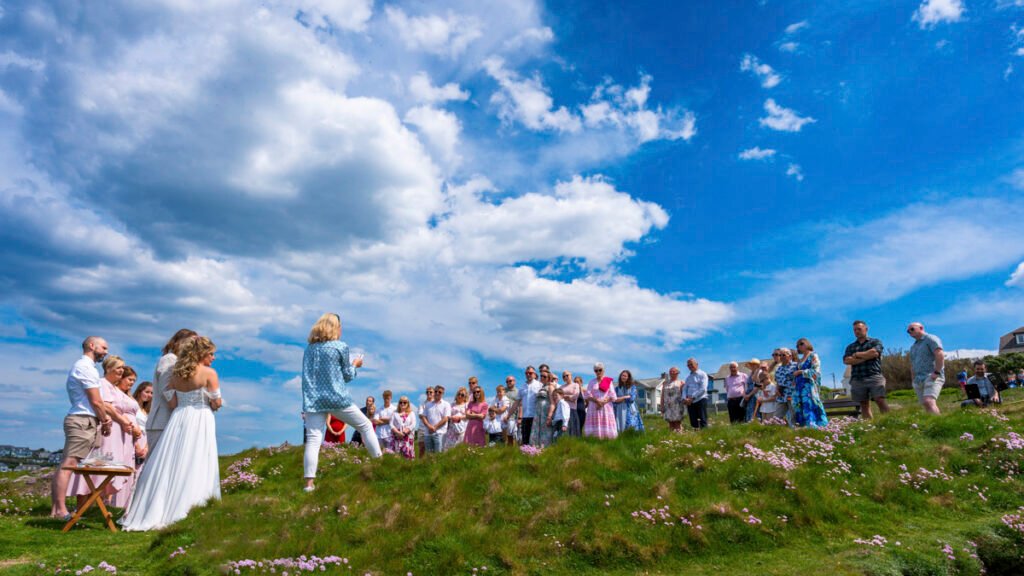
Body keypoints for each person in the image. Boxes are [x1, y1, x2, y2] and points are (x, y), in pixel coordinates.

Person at [121, 337, 223, 531]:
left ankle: (159, 508)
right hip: (200, 418)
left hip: (179, 417)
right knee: (197, 459)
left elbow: (173, 403)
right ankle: (192, 506)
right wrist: (214, 402)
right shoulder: (209, 373)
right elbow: (216, 403)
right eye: (210, 353)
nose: (213, 357)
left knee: (172, 461)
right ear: (201, 354)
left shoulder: (176, 375)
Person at [300, 313, 381, 493]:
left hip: (314, 400)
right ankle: (380, 463)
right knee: (366, 425)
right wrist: (355, 364)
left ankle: (308, 485)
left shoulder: (309, 349)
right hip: (337, 398)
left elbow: (306, 377)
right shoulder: (340, 347)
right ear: (335, 328)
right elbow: (347, 375)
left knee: (313, 440)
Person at [67, 356, 141, 508]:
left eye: (122, 368)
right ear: (109, 368)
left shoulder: (114, 387)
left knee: (110, 469)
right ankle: (82, 507)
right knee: (98, 466)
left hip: (119, 433)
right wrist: (122, 420)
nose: (121, 370)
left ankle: (98, 505)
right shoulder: (103, 383)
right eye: (118, 367)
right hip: (110, 432)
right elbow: (106, 405)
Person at [51, 337, 112, 520]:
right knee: (68, 464)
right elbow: (95, 400)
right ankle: (60, 510)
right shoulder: (85, 367)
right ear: (91, 346)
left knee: (69, 464)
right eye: (104, 347)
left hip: (85, 420)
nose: (106, 351)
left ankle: (58, 509)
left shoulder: (88, 367)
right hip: (82, 420)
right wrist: (105, 419)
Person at [146, 329, 197, 452]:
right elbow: (166, 389)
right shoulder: (170, 359)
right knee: (156, 463)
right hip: (161, 421)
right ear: (181, 342)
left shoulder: (178, 362)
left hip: (171, 420)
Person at [843, 320, 890, 419]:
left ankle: (889, 421)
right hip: (857, 378)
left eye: (859, 329)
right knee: (864, 404)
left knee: (879, 399)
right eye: (855, 330)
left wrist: (857, 355)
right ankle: (869, 425)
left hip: (873, 375)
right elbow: (847, 360)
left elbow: (874, 353)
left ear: (866, 329)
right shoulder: (851, 346)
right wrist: (866, 356)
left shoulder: (875, 342)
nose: (857, 331)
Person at [907, 322, 945, 415]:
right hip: (918, 379)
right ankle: (933, 426)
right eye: (908, 331)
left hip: (931, 376)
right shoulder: (913, 346)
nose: (910, 332)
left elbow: (939, 354)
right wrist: (913, 380)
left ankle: (939, 424)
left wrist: (936, 372)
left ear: (921, 328)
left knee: (929, 401)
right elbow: (913, 364)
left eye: (912, 329)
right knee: (925, 404)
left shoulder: (930, 338)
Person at [791, 339, 829, 429]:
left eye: (801, 343)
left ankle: (813, 427)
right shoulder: (800, 360)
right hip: (799, 387)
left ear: (807, 344)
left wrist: (801, 372)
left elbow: (816, 371)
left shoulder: (813, 355)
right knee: (800, 406)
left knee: (809, 405)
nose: (799, 346)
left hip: (809, 386)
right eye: (797, 345)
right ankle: (804, 427)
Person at [584, 363, 618, 439]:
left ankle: (608, 438)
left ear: (603, 370)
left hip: (606, 406)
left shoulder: (608, 381)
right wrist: (597, 401)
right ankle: (594, 438)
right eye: (596, 370)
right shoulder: (591, 382)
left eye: (600, 370)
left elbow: (613, 395)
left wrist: (603, 402)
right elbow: (587, 395)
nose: (598, 372)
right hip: (594, 406)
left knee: (605, 421)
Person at [420, 385, 451, 454]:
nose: (437, 393)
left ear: (442, 394)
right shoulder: (428, 404)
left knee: (438, 455)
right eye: (436, 391)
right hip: (428, 433)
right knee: (429, 455)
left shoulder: (446, 404)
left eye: (439, 392)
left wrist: (435, 427)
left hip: (440, 433)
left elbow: (446, 418)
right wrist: (429, 426)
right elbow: (424, 417)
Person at [516, 366, 542, 446]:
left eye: (530, 373)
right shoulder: (522, 387)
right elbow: (517, 402)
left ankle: (536, 455)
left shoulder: (540, 385)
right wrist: (508, 415)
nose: (528, 374)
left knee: (535, 439)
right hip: (525, 416)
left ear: (534, 374)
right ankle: (525, 456)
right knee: (525, 439)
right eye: (526, 373)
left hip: (536, 416)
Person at [682, 358, 709, 430]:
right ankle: (695, 438)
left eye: (691, 364)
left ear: (697, 364)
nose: (690, 366)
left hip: (700, 399)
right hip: (690, 402)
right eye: (688, 365)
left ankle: (705, 436)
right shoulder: (688, 377)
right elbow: (684, 389)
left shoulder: (703, 374)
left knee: (703, 420)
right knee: (693, 422)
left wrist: (692, 398)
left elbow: (703, 389)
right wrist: (684, 398)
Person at [132, 381, 153, 468]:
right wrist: (137, 446)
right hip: (134, 438)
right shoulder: (133, 406)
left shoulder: (148, 411)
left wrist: (146, 448)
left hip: (145, 441)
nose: (149, 395)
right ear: (140, 391)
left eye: (152, 393)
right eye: (147, 392)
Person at [532, 373, 556, 447]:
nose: (542, 377)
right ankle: (535, 447)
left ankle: (545, 447)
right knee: (537, 430)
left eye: (544, 376)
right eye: (541, 376)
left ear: (549, 378)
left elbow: (553, 402)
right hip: (538, 413)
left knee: (545, 430)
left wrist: (550, 416)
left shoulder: (550, 387)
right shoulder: (541, 387)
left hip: (546, 412)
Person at [557, 371, 583, 437]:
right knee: (564, 429)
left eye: (567, 375)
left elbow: (575, 396)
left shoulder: (575, 385)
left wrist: (564, 397)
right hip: (563, 410)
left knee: (573, 429)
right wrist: (569, 397)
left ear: (571, 375)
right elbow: (558, 396)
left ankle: (573, 444)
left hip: (572, 409)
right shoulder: (561, 387)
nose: (565, 377)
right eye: (563, 376)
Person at [660, 367, 684, 431]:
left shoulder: (681, 382)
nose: (672, 372)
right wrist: (662, 406)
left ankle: (679, 436)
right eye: (670, 371)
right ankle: (672, 437)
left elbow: (683, 394)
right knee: (670, 423)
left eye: (673, 371)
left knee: (677, 422)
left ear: (677, 373)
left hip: (677, 406)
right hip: (668, 406)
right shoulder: (665, 383)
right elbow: (662, 395)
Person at [502, 376, 520, 445]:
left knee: (512, 436)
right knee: (503, 436)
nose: (508, 382)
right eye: (507, 381)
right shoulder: (503, 390)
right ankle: (503, 450)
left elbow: (520, 405)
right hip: (503, 416)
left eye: (510, 381)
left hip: (513, 416)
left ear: (514, 381)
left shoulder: (518, 392)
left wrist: (519, 417)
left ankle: (512, 451)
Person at [417, 387, 434, 457]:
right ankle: (420, 464)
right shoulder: (422, 404)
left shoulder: (435, 404)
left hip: (433, 429)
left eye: (430, 392)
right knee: (421, 448)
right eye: (427, 392)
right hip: (422, 429)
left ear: (434, 393)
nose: (429, 393)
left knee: (432, 449)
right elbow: (420, 415)